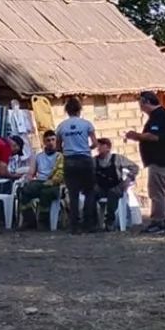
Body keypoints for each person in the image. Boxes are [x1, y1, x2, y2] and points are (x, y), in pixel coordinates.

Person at [126, 91, 165, 234]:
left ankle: (157, 221)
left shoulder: (160, 116)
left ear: (146, 102)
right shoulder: (159, 115)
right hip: (163, 160)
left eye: (141, 103)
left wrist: (136, 136)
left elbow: (154, 136)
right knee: (162, 191)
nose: (140, 107)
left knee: (156, 192)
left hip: (160, 160)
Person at [56, 96, 97, 233]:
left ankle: (74, 225)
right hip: (85, 159)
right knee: (89, 192)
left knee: (73, 194)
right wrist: (86, 149)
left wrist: (68, 151)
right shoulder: (86, 124)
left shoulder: (61, 126)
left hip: (69, 161)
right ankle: (88, 223)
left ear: (67, 111)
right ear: (80, 110)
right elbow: (95, 143)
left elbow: (58, 147)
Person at [93, 139, 139, 231]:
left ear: (108, 148)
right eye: (98, 145)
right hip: (101, 187)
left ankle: (110, 221)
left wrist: (128, 179)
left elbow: (134, 167)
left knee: (113, 193)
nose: (99, 148)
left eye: (102, 145)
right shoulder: (94, 160)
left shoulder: (117, 158)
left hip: (115, 186)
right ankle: (93, 223)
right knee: (90, 195)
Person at [19, 131, 64, 223]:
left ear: (56, 141)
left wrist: (51, 182)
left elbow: (61, 174)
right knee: (23, 190)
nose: (51, 142)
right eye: (48, 140)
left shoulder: (60, 157)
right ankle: (29, 220)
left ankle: (44, 221)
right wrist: (27, 180)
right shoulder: (38, 156)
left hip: (54, 183)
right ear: (44, 142)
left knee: (46, 193)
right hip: (40, 182)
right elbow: (31, 173)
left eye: (53, 140)